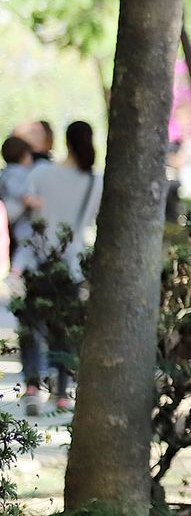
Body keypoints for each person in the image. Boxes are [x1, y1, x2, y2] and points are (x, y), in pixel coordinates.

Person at [16, 121, 103, 415]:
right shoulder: (95, 181)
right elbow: (90, 222)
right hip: (71, 265)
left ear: (65, 142)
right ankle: (62, 391)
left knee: (31, 324)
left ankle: (31, 386)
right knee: (62, 328)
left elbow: (27, 211)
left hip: (38, 261)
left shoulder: (42, 174)